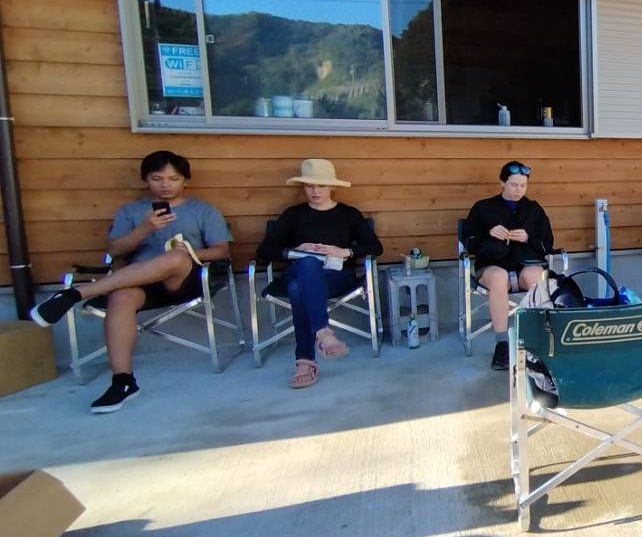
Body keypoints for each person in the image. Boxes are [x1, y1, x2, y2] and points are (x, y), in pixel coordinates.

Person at [29, 149, 232, 412]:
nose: (166, 185)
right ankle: (122, 381)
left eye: (173, 179)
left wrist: (190, 252)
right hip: (139, 282)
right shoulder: (131, 212)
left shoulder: (202, 210)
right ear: (146, 180)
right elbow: (114, 251)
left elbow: (221, 251)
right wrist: (143, 230)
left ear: (185, 180)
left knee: (176, 257)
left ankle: (76, 293)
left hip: (184, 280)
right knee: (121, 297)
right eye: (157, 178)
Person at [255, 160, 382, 390]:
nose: (315, 191)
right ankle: (322, 331)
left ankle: (305, 362)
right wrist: (295, 251)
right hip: (298, 269)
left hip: (335, 275)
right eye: (309, 186)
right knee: (308, 263)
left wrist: (344, 251)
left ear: (332, 187)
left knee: (298, 289)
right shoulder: (293, 215)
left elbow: (375, 247)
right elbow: (264, 251)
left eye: (321, 186)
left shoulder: (348, 214)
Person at [465, 161, 556, 371]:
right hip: (492, 265)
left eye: (523, 185)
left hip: (525, 264)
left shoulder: (533, 209)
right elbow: (469, 242)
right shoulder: (483, 208)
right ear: (502, 183)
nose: (519, 190)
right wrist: (489, 233)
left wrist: (528, 238)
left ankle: (540, 341)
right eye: (514, 184)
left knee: (537, 278)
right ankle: (502, 345)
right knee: (499, 278)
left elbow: (548, 243)